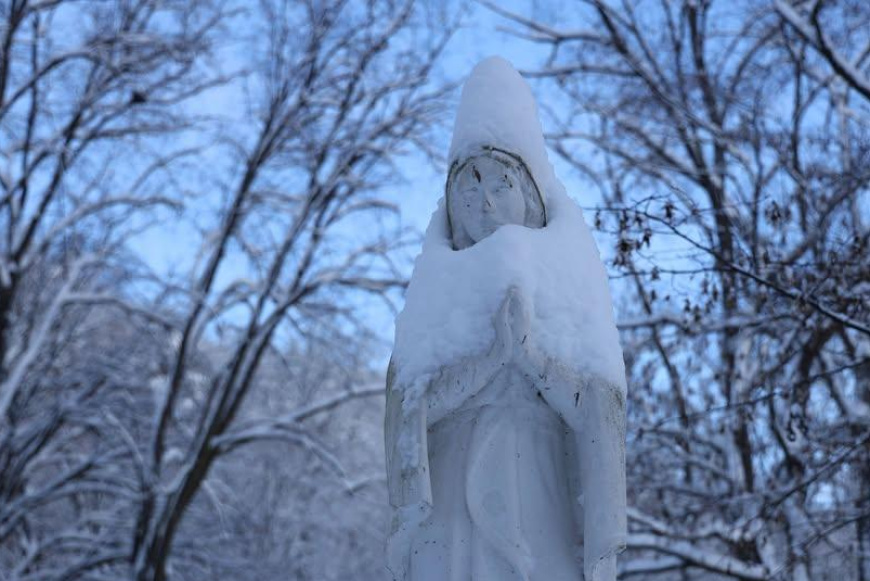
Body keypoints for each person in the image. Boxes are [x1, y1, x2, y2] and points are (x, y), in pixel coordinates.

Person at [385, 57, 626, 581]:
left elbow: (596, 412)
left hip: (536, 490)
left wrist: (532, 360)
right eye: (469, 190)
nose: (485, 203)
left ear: (530, 193)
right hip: (449, 503)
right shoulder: (436, 284)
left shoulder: (568, 273)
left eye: (501, 185)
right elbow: (410, 415)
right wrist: (493, 358)